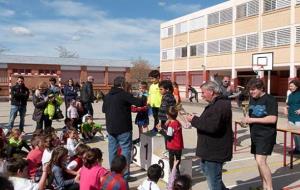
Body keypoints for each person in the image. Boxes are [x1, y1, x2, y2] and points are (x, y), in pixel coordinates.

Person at [186, 81, 232, 190]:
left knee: (213, 181)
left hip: (215, 150)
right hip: (209, 149)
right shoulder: (216, 104)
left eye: (203, 92)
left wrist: (194, 120)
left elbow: (213, 127)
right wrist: (197, 119)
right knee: (206, 170)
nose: (201, 95)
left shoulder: (220, 105)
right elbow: (212, 122)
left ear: (211, 92)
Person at [102, 76, 144, 181]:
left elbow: (103, 110)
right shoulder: (124, 94)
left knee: (112, 150)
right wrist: (144, 95)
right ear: (122, 84)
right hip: (124, 128)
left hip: (111, 128)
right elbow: (139, 103)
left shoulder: (107, 96)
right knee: (125, 150)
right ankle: (124, 176)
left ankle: (113, 174)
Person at [241, 78, 278, 190]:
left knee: (261, 161)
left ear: (261, 88)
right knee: (258, 162)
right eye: (250, 90)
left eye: (253, 90)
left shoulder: (270, 99)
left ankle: (270, 188)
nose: (251, 92)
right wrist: (246, 120)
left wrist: (252, 120)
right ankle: (264, 186)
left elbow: (272, 119)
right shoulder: (252, 99)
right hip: (255, 134)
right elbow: (252, 116)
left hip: (266, 135)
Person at [157, 106, 183, 174]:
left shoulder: (171, 125)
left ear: (168, 116)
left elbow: (168, 137)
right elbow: (172, 132)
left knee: (172, 164)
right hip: (179, 146)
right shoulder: (178, 122)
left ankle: (173, 175)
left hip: (172, 146)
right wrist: (164, 128)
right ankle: (177, 174)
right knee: (177, 162)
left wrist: (161, 131)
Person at [284, 79, 300, 154]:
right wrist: (286, 108)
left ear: (297, 86)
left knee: (299, 134)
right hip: (291, 117)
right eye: (289, 86)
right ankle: (297, 149)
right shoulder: (290, 95)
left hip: (298, 118)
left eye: (292, 86)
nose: (290, 87)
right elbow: (288, 104)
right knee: (294, 135)